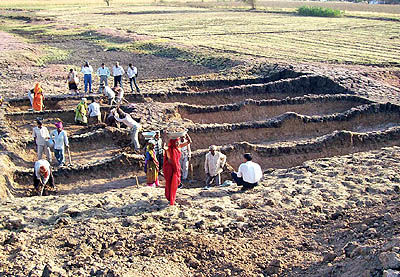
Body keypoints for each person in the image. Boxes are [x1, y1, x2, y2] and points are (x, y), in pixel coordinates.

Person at [163, 135, 191, 206]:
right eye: (176, 142)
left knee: (174, 185)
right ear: (173, 143)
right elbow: (170, 160)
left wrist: (186, 134)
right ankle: (170, 199)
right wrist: (176, 168)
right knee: (171, 184)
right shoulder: (169, 149)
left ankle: (172, 198)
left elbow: (189, 142)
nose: (178, 143)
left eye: (178, 142)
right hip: (171, 168)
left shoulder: (178, 147)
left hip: (176, 167)